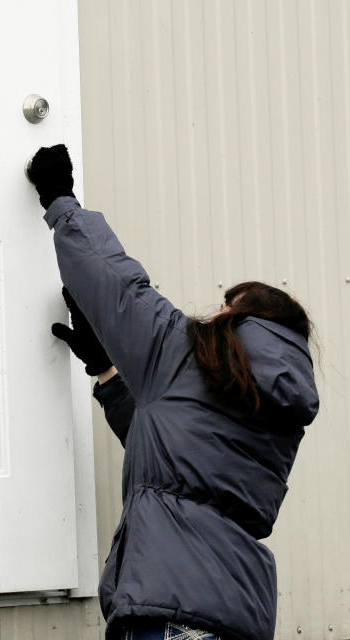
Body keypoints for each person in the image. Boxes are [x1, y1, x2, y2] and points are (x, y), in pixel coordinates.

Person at [27, 145, 319, 640]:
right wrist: (107, 373)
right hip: (238, 612)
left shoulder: (186, 348)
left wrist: (60, 199)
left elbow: (114, 282)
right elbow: (176, 447)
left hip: (170, 613)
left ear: (240, 316)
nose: (218, 311)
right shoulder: (281, 411)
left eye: (228, 305)